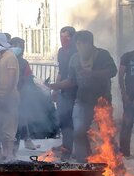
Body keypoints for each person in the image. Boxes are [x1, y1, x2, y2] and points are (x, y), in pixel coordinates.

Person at [48, 31, 117, 162]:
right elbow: (71, 80)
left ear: (89, 43)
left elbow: (113, 71)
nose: (78, 47)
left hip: (102, 101)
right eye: (77, 44)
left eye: (80, 44)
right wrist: (55, 86)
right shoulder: (74, 58)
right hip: (82, 101)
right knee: (78, 132)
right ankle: (83, 163)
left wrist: (92, 73)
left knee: (106, 133)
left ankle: (113, 164)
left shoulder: (103, 55)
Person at [0, 33, 20, 161]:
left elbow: (12, 78)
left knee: (9, 126)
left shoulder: (10, 56)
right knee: (0, 126)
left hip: (9, 98)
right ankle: (4, 152)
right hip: (0, 97)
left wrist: (5, 97)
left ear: (0, 43)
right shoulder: (1, 57)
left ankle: (10, 154)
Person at [51, 27, 77, 159]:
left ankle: (75, 149)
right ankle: (66, 145)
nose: (63, 40)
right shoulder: (61, 52)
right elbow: (61, 72)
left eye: (66, 37)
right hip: (63, 90)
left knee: (75, 121)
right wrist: (55, 89)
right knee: (64, 119)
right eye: (61, 37)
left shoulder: (77, 52)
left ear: (73, 38)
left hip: (75, 92)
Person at [120, 46, 134, 157]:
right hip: (130, 96)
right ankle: (124, 152)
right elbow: (120, 76)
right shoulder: (127, 56)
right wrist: (124, 94)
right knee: (127, 124)